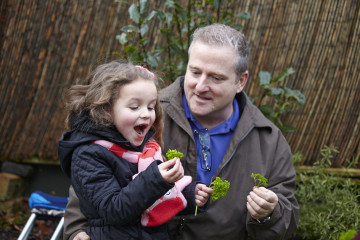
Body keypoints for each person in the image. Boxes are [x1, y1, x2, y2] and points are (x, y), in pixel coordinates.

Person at [62, 23, 299, 240]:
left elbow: (288, 221)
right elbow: (89, 186)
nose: (200, 86)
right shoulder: (143, 115)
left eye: (216, 78)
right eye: (195, 72)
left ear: (240, 81)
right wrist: (76, 232)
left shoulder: (268, 140)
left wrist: (269, 213)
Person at [58, 61, 212, 239]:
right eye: (134, 107)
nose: (146, 114)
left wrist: (190, 195)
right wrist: (156, 180)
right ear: (105, 110)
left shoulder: (146, 150)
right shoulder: (88, 154)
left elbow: (154, 203)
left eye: (150, 106)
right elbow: (113, 209)